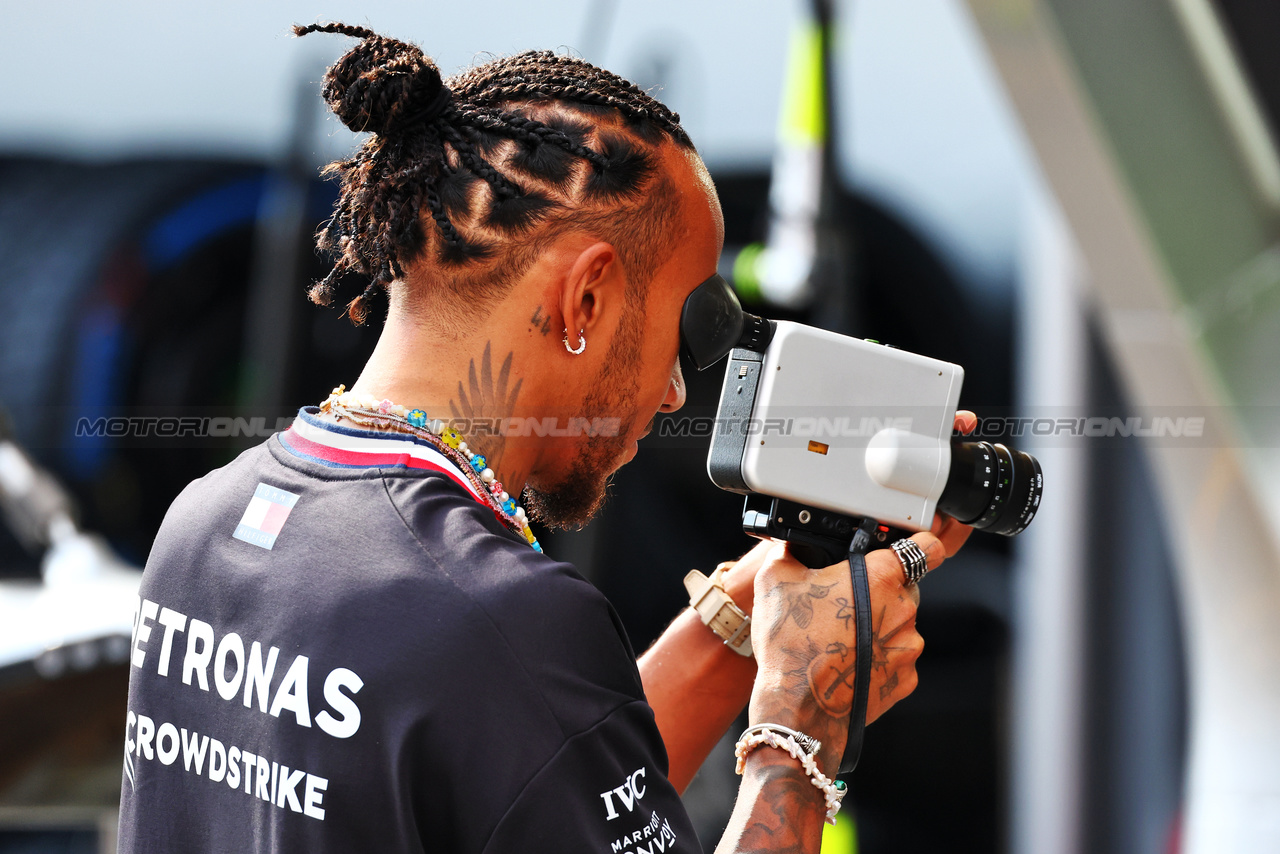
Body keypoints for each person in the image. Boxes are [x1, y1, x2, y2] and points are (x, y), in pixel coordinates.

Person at [117, 23, 973, 853]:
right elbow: (506, 681)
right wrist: (801, 735)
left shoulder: (202, 524)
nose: (675, 391)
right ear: (586, 298)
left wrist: (742, 620)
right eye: (689, 330)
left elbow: (535, 791)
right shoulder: (497, 614)